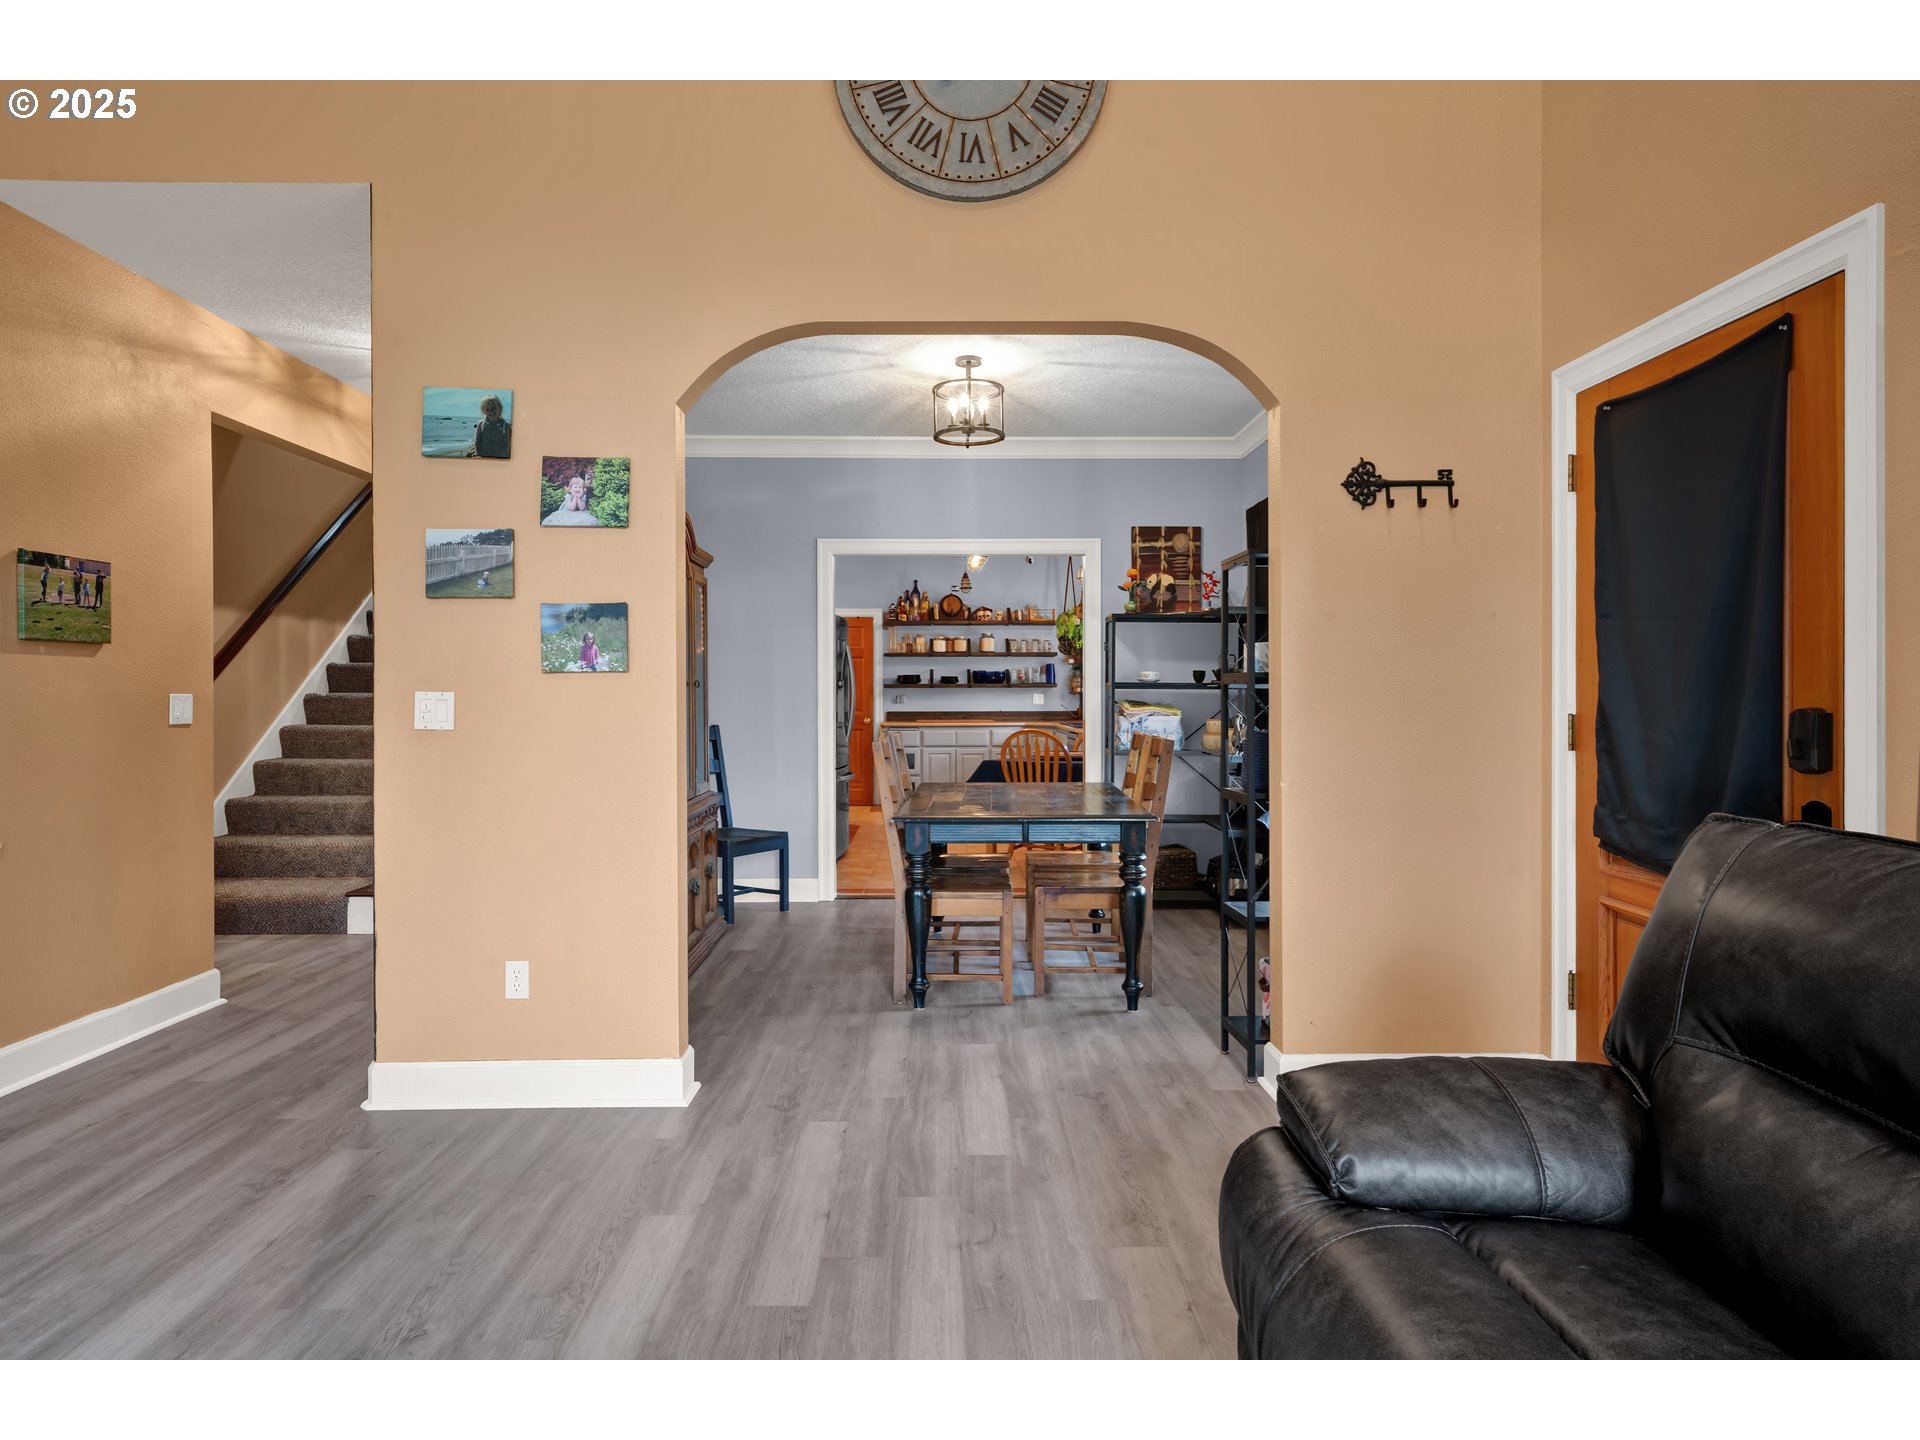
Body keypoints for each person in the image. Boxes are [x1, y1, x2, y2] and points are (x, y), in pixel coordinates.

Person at [470, 394, 511, 459]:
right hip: (483, 456)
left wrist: (503, 457)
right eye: (487, 409)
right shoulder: (481, 424)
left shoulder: (504, 425)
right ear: (484, 411)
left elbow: (506, 444)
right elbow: (477, 440)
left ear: (500, 408)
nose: (491, 411)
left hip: (498, 457)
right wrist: (478, 454)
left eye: (494, 408)